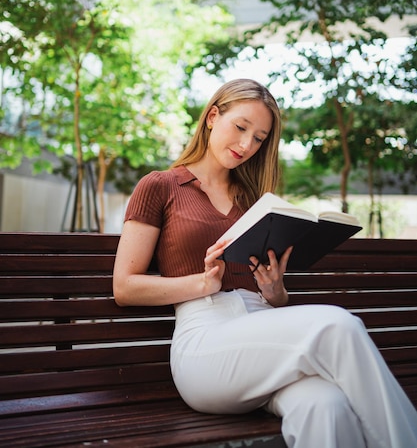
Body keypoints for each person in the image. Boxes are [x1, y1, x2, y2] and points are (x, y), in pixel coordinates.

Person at [113, 78, 417, 448]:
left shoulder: (255, 202)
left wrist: (275, 291)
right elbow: (124, 287)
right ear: (212, 117)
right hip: (207, 346)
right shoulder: (161, 185)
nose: (246, 145)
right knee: (338, 324)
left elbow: (272, 302)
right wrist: (201, 284)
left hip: (265, 336)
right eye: (240, 128)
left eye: (258, 138)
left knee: (328, 405)